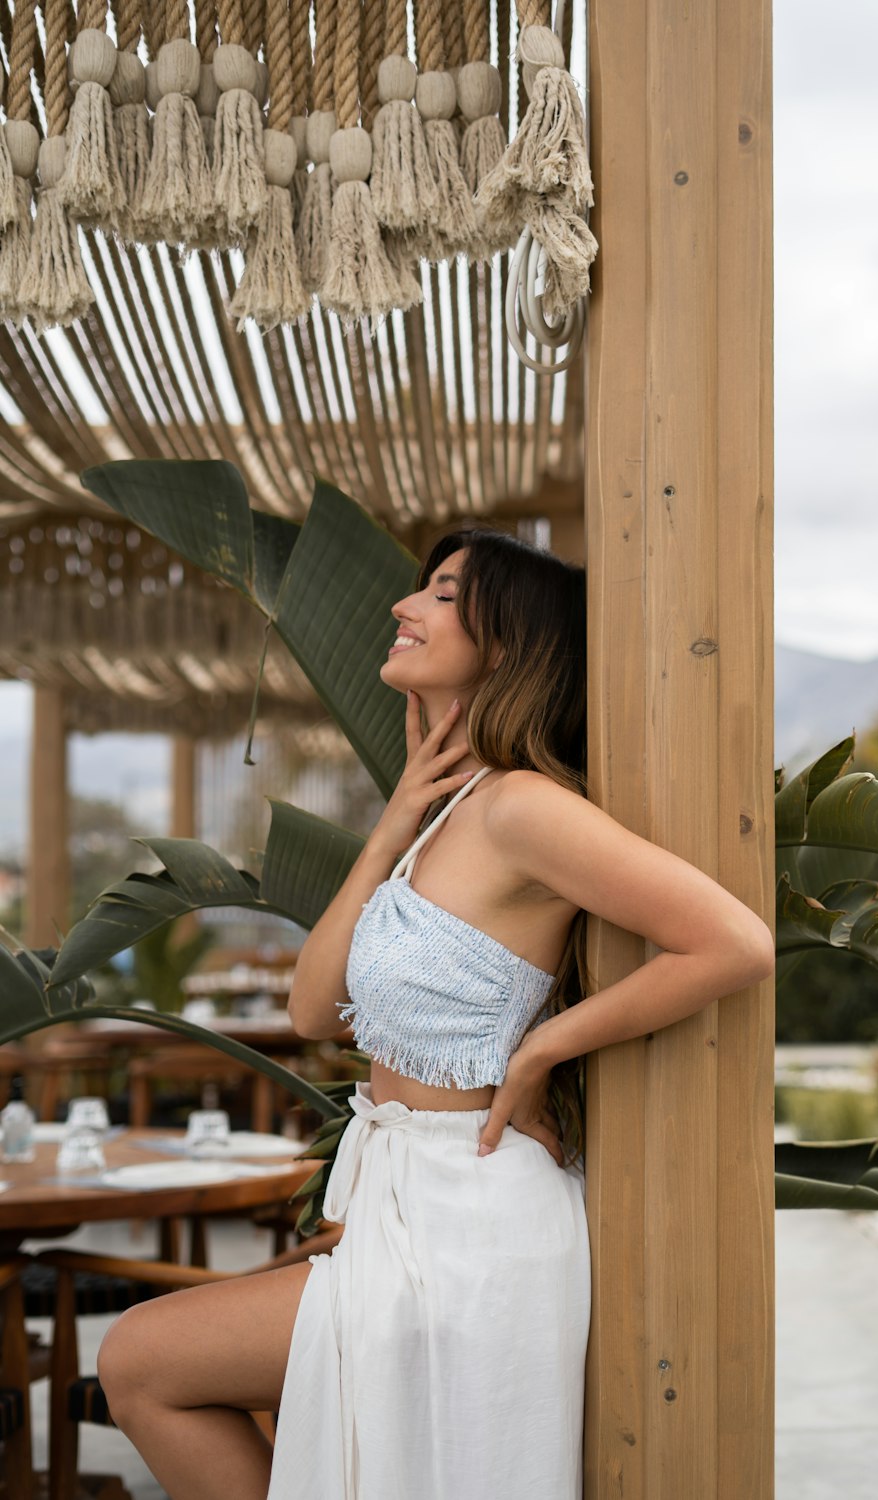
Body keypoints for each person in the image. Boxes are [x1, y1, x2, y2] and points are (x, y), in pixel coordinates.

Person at [97, 526, 774, 1500]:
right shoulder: (453, 813)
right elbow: (311, 1006)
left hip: (472, 1215)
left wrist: (544, 1047)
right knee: (159, 1370)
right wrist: (391, 826)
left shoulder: (524, 808)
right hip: (409, 1202)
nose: (402, 606)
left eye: (443, 594)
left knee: (143, 1361)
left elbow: (732, 944)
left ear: (507, 643)